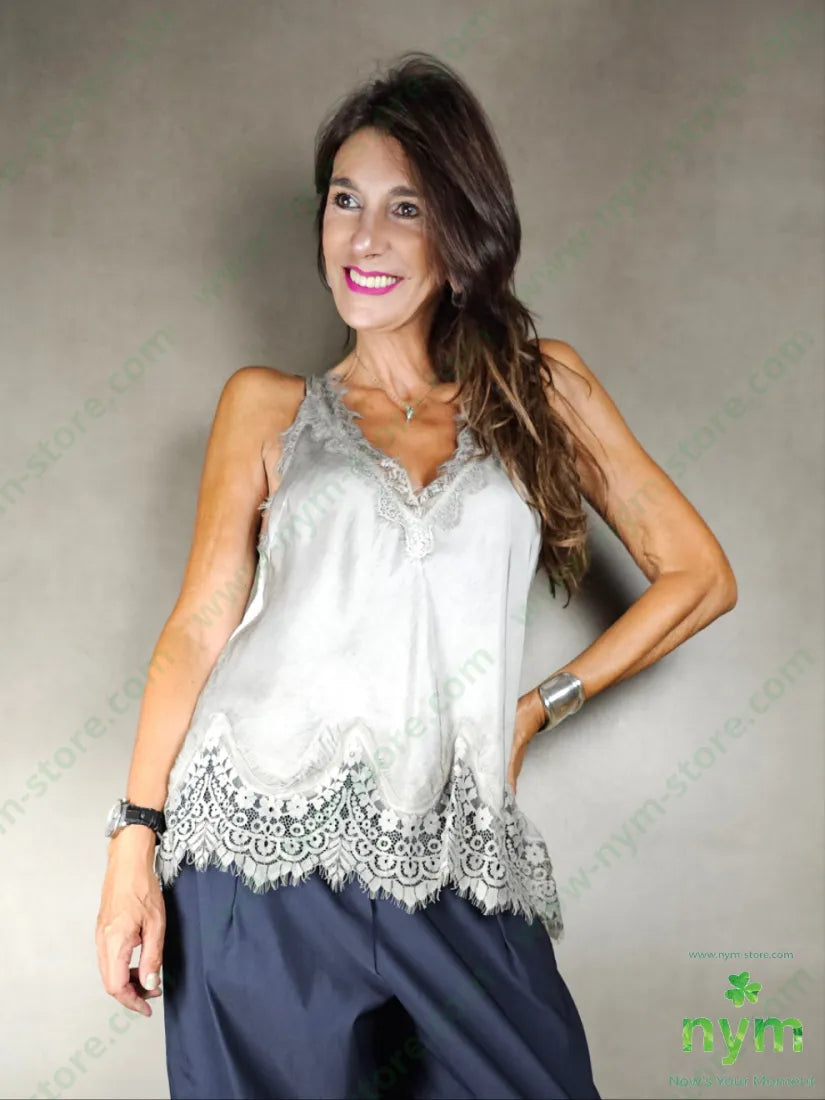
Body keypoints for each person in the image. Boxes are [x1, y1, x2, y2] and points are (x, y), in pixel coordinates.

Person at [95, 51, 737, 1100]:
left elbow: (698, 575)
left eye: (405, 208)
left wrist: (533, 711)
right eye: (344, 200)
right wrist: (134, 842)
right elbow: (200, 625)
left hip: (454, 847)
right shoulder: (265, 406)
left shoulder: (540, 390)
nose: (364, 237)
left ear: (460, 230)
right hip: (255, 854)